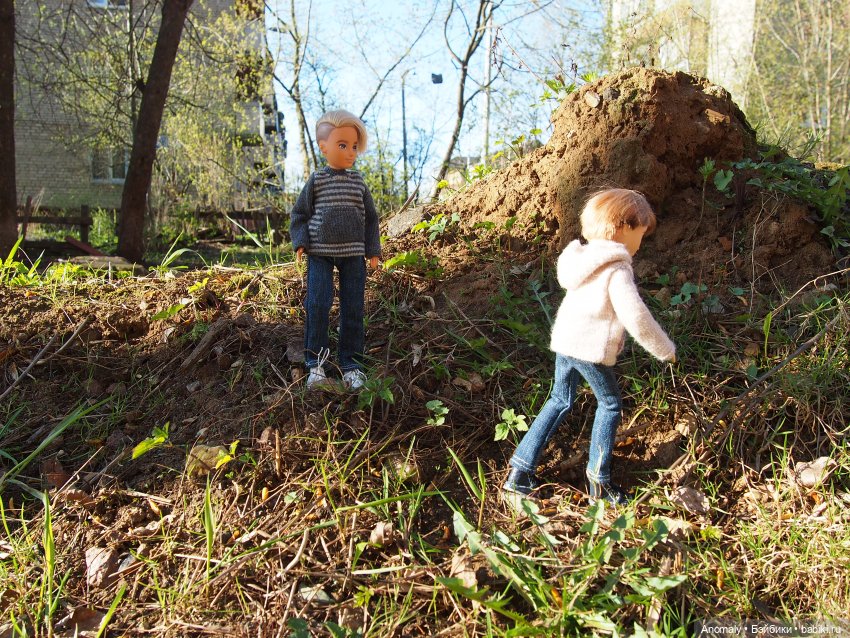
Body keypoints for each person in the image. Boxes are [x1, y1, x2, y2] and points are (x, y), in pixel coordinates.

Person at [503, 188, 676, 505]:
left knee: (559, 399)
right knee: (610, 404)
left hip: (566, 343)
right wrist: (665, 349)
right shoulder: (616, 268)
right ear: (624, 227)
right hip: (589, 349)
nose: (640, 243)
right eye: (640, 233)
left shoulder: (581, 260)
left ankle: (519, 473)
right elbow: (636, 316)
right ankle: (599, 482)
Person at [289, 110, 381, 391]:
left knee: (353, 306)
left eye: (354, 146)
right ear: (323, 147)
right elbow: (300, 213)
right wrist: (301, 242)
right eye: (343, 145)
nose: (350, 152)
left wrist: (373, 250)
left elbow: (371, 218)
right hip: (320, 252)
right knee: (317, 303)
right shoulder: (316, 181)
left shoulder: (358, 183)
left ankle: (351, 365)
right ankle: (316, 365)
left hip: (353, 254)